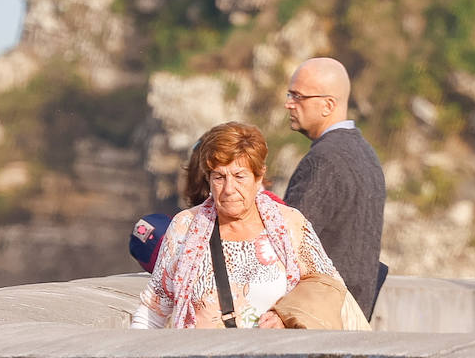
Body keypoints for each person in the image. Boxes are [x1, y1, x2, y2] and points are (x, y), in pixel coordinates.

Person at [131, 122, 343, 329]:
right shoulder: (184, 227)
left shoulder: (290, 224)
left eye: (240, 176)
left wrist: (285, 315)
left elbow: (328, 288)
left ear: (258, 177)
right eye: (219, 177)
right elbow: (152, 311)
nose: (229, 189)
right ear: (208, 179)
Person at [283, 57, 387, 320]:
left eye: (298, 96)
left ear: (328, 105)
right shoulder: (365, 152)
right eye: (289, 94)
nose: (289, 104)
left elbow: (286, 243)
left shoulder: (324, 160)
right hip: (351, 314)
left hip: (322, 318)